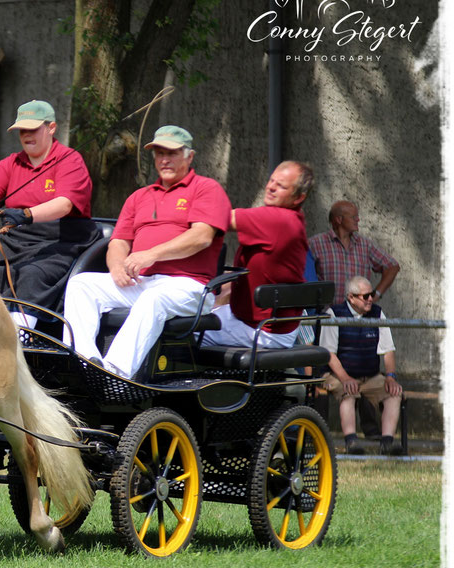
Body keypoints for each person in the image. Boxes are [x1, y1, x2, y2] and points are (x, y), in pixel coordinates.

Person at [62, 125, 230, 378]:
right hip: (142, 282)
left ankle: (114, 373)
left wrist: (152, 254)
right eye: (159, 153)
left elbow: (202, 237)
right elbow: (119, 241)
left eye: (172, 153)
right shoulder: (139, 196)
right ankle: (84, 363)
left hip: (188, 286)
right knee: (82, 284)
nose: (164, 159)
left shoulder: (206, 188)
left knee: (153, 299)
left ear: (189, 156)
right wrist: (117, 267)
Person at [0, 99, 101, 325]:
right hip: (16, 237)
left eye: (33, 129)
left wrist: (27, 215)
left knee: (32, 274)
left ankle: (21, 339)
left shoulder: (70, 160)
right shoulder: (10, 163)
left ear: (51, 128)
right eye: (22, 130)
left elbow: (64, 204)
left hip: (61, 241)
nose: (27, 135)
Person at [309, 200, 400, 437]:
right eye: (353, 216)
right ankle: (317, 432)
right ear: (338, 219)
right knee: (323, 376)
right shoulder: (317, 244)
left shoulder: (365, 245)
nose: (358, 220)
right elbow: (305, 274)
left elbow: (391, 265)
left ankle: (371, 433)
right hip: (330, 320)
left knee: (364, 368)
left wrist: (375, 295)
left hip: (360, 319)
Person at [201, 161, 313, 348]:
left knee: (182, 334)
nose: (271, 188)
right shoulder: (290, 219)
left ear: (298, 198)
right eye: (271, 181)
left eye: (282, 186)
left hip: (266, 329)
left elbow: (221, 219)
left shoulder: (279, 219)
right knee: (188, 318)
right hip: (256, 320)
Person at [320, 275, 404, 455]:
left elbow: (388, 350)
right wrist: (345, 378)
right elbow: (329, 354)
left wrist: (390, 376)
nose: (371, 299)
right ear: (351, 297)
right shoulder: (334, 314)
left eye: (372, 294)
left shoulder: (378, 313)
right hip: (338, 375)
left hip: (371, 376)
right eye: (365, 296)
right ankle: (352, 442)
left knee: (394, 394)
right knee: (348, 392)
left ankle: (387, 442)